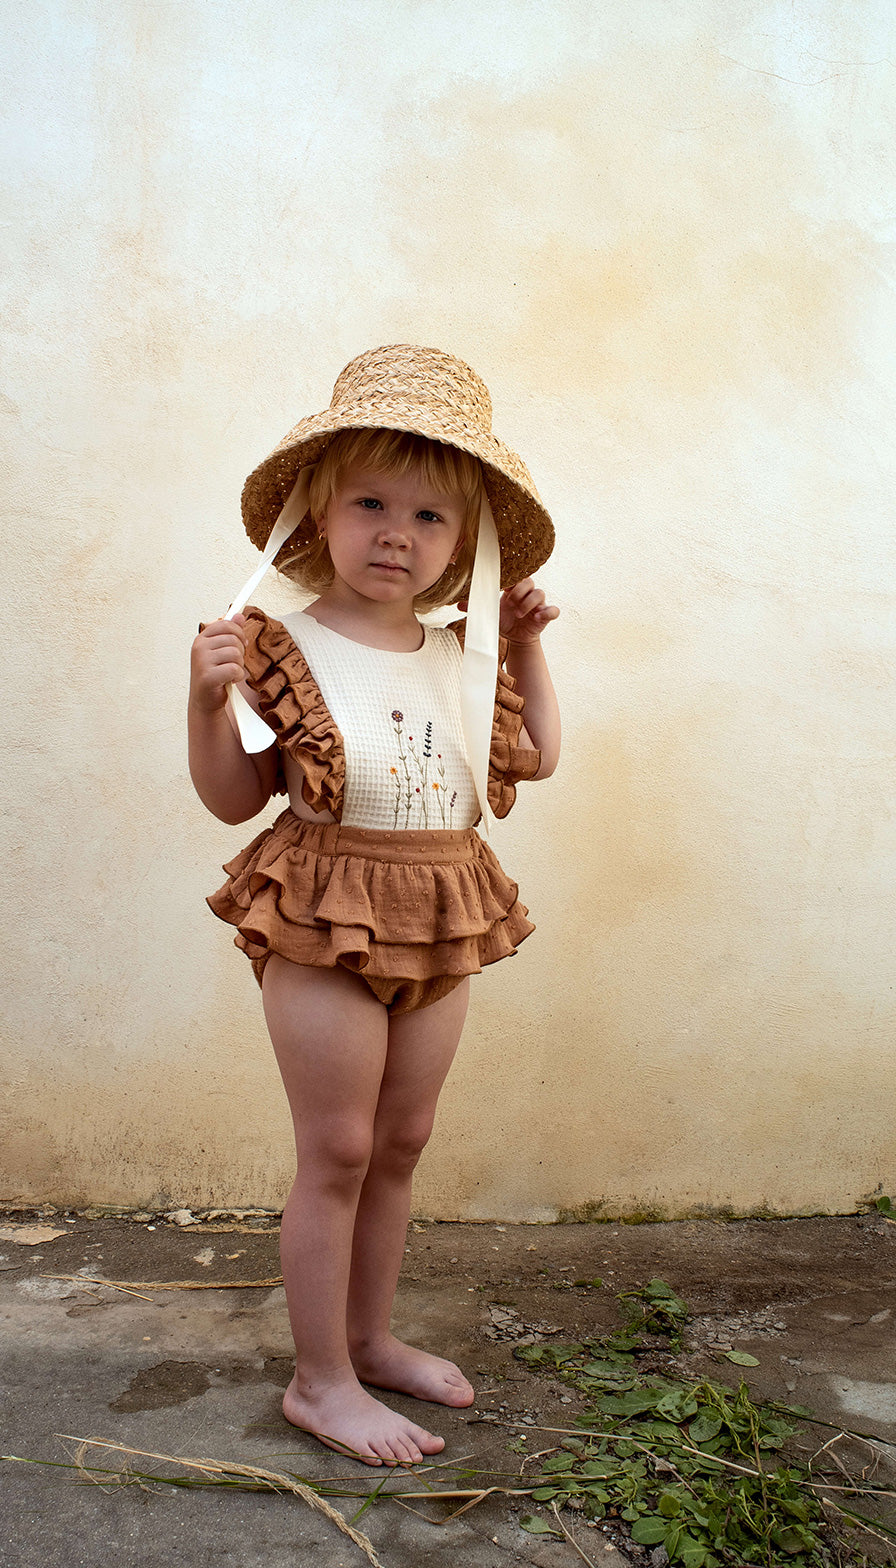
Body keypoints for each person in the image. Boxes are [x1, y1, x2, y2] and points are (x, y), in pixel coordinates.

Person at [188, 346, 560, 1466]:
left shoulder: (465, 653)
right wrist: (205, 702)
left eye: (431, 517)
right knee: (339, 1147)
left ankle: (370, 1337)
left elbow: (533, 757)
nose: (397, 533)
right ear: (318, 512)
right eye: (370, 503)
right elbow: (230, 798)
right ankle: (321, 1381)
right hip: (320, 910)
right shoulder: (280, 645)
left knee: (401, 1140)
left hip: (442, 908)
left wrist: (529, 647)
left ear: (467, 543)